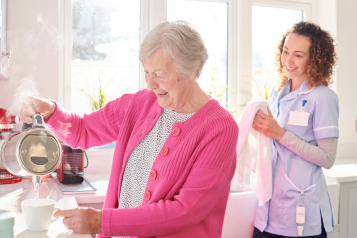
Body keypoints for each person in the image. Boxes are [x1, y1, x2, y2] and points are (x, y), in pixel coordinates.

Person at [21, 21, 238, 238]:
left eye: (160, 75)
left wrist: (100, 221)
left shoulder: (219, 128)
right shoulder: (138, 104)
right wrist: (49, 111)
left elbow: (186, 210)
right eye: (147, 72)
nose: (150, 84)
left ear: (191, 71)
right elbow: (83, 131)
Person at [251, 22, 338, 238]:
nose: (288, 60)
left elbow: (327, 158)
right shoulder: (277, 93)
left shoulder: (322, 97)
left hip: (302, 210)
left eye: (298, 55)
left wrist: (280, 134)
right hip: (268, 211)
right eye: (286, 51)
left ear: (315, 59)